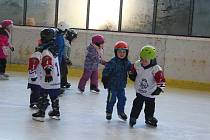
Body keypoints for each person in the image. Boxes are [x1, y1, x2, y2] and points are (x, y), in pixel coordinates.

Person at [128, 45, 166, 127]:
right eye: (142, 59)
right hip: (139, 91)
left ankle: (149, 117)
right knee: (137, 105)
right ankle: (133, 117)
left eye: (146, 60)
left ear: (152, 60)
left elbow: (161, 80)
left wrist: (159, 89)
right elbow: (132, 70)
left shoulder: (156, 69)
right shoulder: (137, 64)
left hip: (150, 93)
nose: (143, 62)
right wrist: (132, 75)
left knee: (150, 107)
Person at [32, 28, 61, 122]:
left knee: (43, 95)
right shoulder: (54, 48)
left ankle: (41, 113)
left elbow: (47, 61)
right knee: (54, 95)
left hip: (48, 77)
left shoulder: (46, 50)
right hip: (56, 78)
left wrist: (48, 73)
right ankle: (56, 112)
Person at [101, 41, 131, 121]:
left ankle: (121, 112)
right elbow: (106, 71)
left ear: (126, 53)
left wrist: (133, 73)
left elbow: (131, 70)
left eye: (124, 52)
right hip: (112, 86)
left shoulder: (127, 63)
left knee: (122, 99)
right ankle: (109, 112)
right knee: (111, 99)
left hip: (121, 86)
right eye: (119, 52)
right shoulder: (112, 62)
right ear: (115, 52)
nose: (122, 53)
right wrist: (105, 79)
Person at [56, 21, 71, 91]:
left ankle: (61, 84)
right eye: (65, 30)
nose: (66, 32)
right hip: (57, 58)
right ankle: (57, 86)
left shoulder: (60, 36)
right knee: (59, 73)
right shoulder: (58, 37)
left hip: (60, 58)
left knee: (63, 71)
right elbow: (58, 50)